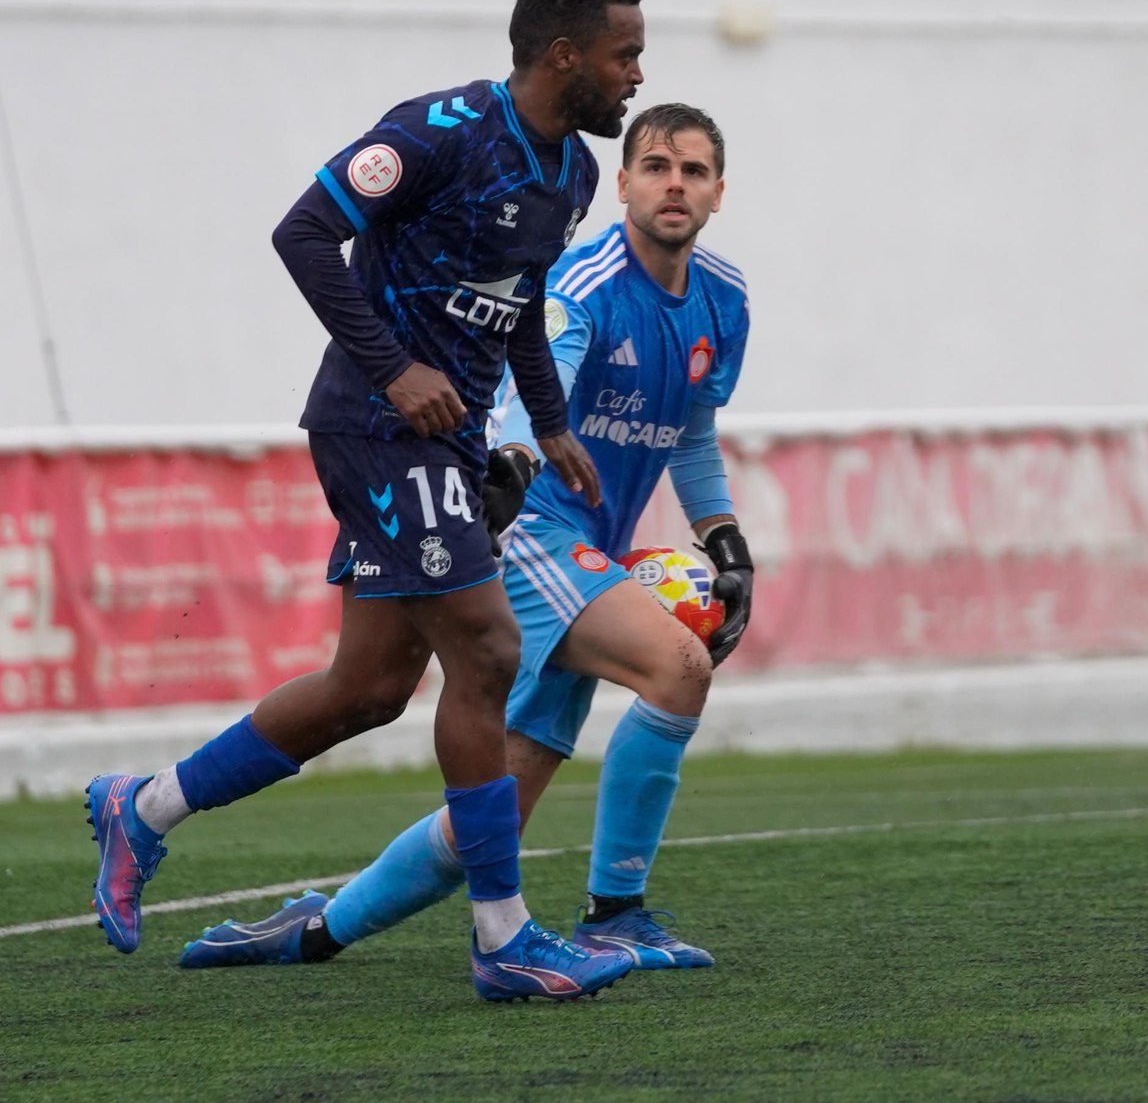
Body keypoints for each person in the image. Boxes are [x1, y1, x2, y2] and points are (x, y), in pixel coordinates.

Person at [87, 0, 649, 1003]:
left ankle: (143, 805)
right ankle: (503, 937)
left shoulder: (568, 170)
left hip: (448, 438)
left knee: (371, 688)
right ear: (565, 54)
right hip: (376, 426)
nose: (634, 78)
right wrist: (394, 372)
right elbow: (301, 232)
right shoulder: (440, 132)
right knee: (486, 645)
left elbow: (516, 302)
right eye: (624, 57)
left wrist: (554, 420)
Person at [184, 102, 754, 974]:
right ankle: (615, 913)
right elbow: (532, 402)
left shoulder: (724, 298)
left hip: (588, 546)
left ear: (720, 191)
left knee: (494, 807)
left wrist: (724, 540)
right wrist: (517, 461)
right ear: (626, 185)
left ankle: (316, 929)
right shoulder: (586, 285)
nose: (674, 184)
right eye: (655, 167)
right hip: (532, 530)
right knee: (678, 665)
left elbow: (692, 434)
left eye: (695, 171)